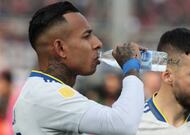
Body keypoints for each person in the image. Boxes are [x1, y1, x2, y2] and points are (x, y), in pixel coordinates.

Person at [13, 1, 145, 135]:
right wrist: (131, 68)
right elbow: (123, 125)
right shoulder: (45, 95)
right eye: (86, 36)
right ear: (60, 48)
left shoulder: (40, 90)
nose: (98, 43)